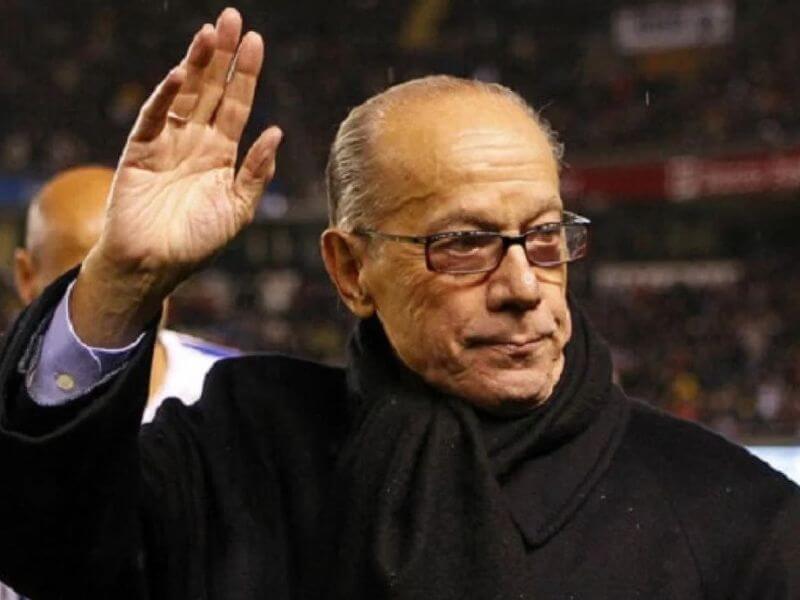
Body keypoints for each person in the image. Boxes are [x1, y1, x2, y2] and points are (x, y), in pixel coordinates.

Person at [0, 7, 796, 599]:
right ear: (351, 270)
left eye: (545, 236)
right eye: (464, 243)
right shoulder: (243, 451)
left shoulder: (737, 517)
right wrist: (123, 281)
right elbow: (50, 551)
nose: (523, 287)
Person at [12, 165, 238, 422]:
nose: (126, 295)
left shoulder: (237, 393)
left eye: (144, 268)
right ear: (27, 278)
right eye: (94, 279)